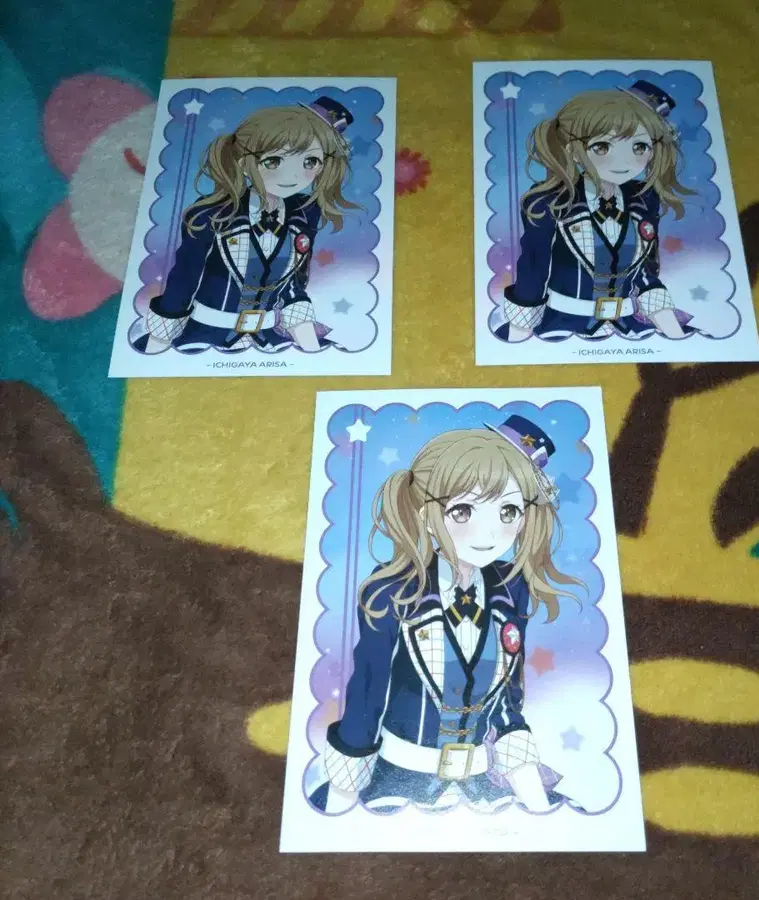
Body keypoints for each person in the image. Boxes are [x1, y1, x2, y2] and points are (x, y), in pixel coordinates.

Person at [309, 415, 582, 814]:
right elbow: (367, 695)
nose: (489, 533)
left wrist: (537, 804)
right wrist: (342, 798)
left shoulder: (512, 587)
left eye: (508, 512)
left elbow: (508, 704)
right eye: (463, 511)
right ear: (424, 513)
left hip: (482, 783)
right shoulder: (393, 589)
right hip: (400, 779)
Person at [139, 97, 356, 354]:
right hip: (206, 335)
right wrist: (159, 343)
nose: (293, 175)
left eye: (310, 162)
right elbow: (184, 281)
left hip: (268, 339)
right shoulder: (212, 214)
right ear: (243, 163)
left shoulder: (304, 213)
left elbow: (293, 287)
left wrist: (310, 346)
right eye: (273, 162)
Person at [498, 81, 696, 343]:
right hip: (563, 325)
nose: (624, 161)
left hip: (626, 326)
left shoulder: (645, 198)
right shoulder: (549, 201)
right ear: (573, 151)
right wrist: (520, 333)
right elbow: (534, 270)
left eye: (639, 147)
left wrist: (672, 331)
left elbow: (646, 274)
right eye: (602, 147)